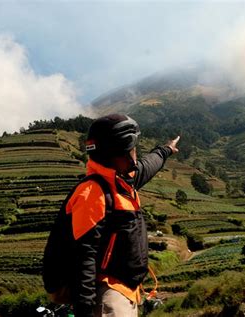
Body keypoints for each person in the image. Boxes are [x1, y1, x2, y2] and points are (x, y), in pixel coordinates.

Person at [70, 114, 179, 317]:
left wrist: (166, 150)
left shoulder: (119, 183)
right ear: (118, 152)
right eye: (132, 148)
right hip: (110, 295)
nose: (135, 154)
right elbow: (84, 255)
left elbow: (147, 166)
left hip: (127, 292)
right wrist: (84, 309)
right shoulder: (93, 193)